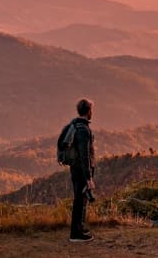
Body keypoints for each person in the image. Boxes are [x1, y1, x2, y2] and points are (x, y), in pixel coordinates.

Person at [69, 98, 96, 242]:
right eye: (92, 110)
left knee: (81, 200)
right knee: (79, 201)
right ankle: (75, 234)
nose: (92, 112)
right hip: (81, 171)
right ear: (88, 111)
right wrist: (89, 177)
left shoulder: (77, 126)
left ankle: (79, 228)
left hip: (77, 169)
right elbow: (84, 155)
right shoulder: (83, 130)